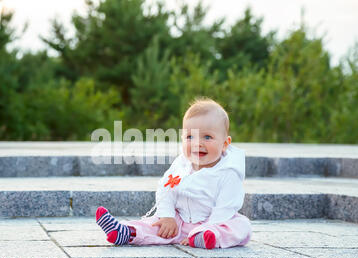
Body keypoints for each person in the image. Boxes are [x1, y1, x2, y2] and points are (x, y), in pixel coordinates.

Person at [95, 98, 252, 249]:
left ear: (225, 144)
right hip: (180, 222)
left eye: (207, 137)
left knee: (241, 226)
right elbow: (166, 189)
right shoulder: (182, 164)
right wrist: (167, 216)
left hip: (214, 222)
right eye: (190, 137)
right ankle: (127, 232)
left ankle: (205, 237)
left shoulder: (228, 173)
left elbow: (226, 208)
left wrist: (207, 227)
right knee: (155, 224)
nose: (198, 143)